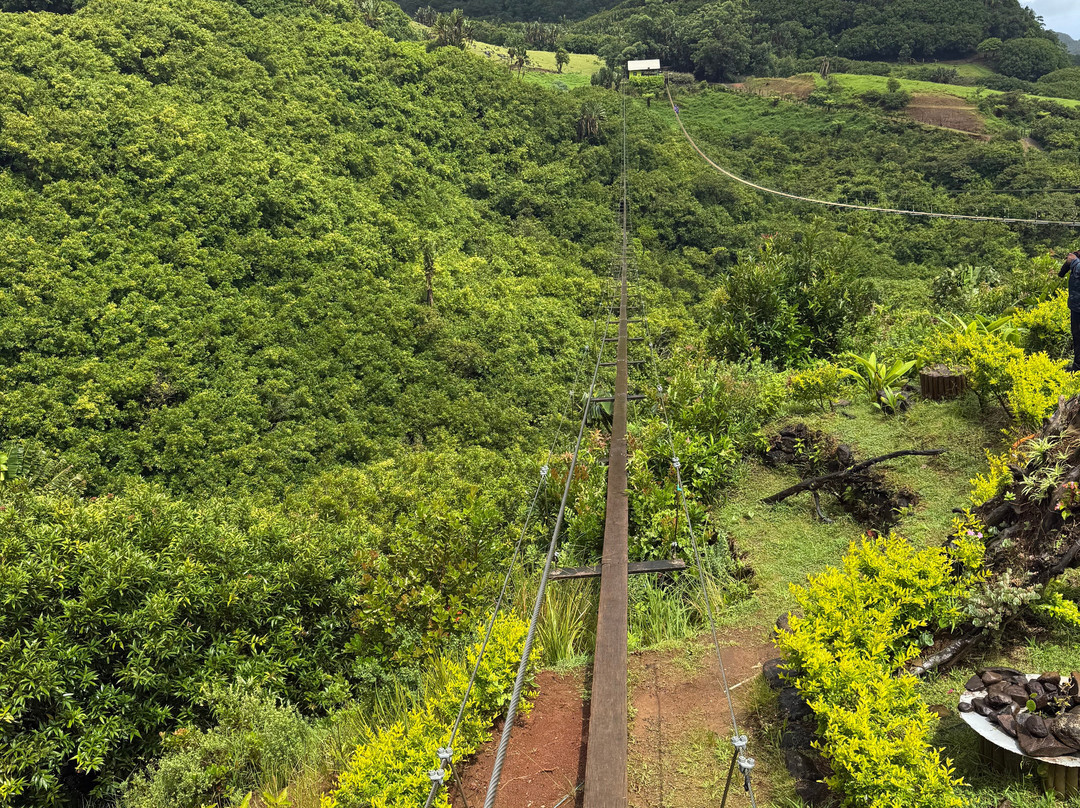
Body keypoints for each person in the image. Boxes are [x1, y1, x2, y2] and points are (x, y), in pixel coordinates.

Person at [1059, 251, 1080, 371]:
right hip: (1076, 306)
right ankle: (1077, 366)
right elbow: (1061, 274)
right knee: (1077, 336)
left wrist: (1074, 262)